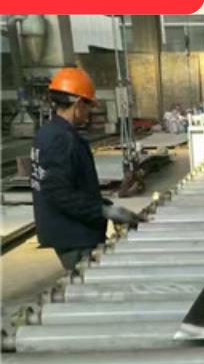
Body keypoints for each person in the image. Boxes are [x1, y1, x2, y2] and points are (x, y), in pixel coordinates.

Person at [30, 67, 143, 271]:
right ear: (78, 104)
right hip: (74, 235)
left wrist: (107, 207)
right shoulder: (62, 140)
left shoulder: (47, 133)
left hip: (68, 231)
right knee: (94, 281)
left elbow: (72, 186)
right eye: (89, 106)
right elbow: (60, 194)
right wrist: (104, 210)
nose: (89, 114)